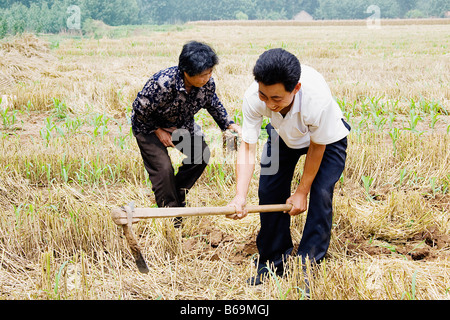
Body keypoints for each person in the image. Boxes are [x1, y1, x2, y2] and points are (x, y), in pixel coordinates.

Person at [228, 48, 351, 285]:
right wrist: (239, 196)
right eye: (265, 96)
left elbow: (317, 147)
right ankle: (273, 262)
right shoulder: (254, 98)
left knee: (320, 193)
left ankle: (308, 265)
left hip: (326, 139)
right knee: (269, 191)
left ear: (296, 88)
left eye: (277, 98)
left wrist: (301, 192)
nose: (269, 103)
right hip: (283, 135)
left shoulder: (316, 99)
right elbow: (247, 148)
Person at [131, 41, 241, 227]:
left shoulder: (207, 84)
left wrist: (228, 124)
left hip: (180, 126)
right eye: (203, 74)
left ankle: (176, 194)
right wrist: (158, 131)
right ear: (186, 71)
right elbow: (139, 110)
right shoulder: (162, 83)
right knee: (163, 169)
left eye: (210, 72)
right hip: (147, 126)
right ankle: (172, 217)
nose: (208, 77)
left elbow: (212, 103)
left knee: (201, 155)